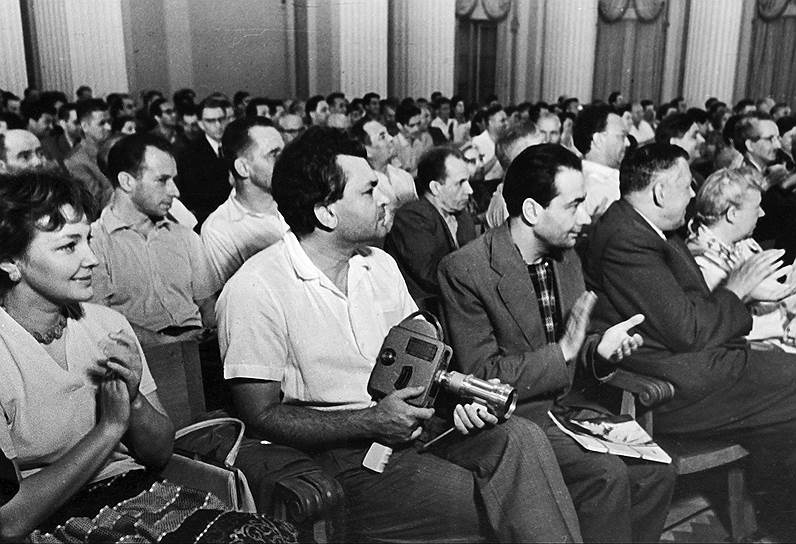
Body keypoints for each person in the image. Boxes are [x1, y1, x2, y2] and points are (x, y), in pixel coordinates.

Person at [218, 126, 583, 543]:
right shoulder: (257, 287)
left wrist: (459, 403)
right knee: (493, 500)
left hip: (411, 428)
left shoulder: (378, 265)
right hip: (340, 457)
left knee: (521, 436)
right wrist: (371, 421)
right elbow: (261, 415)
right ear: (326, 213)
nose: (386, 199)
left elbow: (425, 364)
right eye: (368, 191)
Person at [0, 170, 294, 543]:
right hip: (52, 520)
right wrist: (110, 427)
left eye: (88, 240)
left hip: (140, 495)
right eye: (68, 246)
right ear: (11, 262)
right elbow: (9, 521)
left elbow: (159, 453)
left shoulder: (108, 325)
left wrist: (135, 400)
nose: (92, 259)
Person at [438, 144, 675, 542]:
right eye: (573, 205)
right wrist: (564, 350)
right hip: (516, 421)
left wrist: (599, 352)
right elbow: (481, 375)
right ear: (533, 211)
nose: (585, 218)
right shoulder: (466, 270)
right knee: (606, 475)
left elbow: (573, 346)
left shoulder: (566, 257)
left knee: (658, 472)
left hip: (568, 412)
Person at [584, 143, 796, 486]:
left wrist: (747, 293)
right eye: (686, 186)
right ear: (660, 192)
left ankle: (773, 501)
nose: (694, 194)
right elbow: (687, 330)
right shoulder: (628, 240)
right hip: (676, 389)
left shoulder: (648, 228)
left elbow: (690, 310)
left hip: (700, 367)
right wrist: (736, 289)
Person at [89, 134, 219, 337]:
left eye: (173, 180)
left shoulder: (186, 237)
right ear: (127, 181)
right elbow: (102, 323)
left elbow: (208, 307)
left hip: (197, 343)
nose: (175, 191)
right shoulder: (94, 243)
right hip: (141, 351)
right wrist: (168, 343)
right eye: (162, 180)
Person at [686, 167, 796, 351]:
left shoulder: (743, 244)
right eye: (756, 208)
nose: (762, 213)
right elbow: (726, 329)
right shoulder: (702, 263)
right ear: (732, 214)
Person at [384, 146, 475, 313]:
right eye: (460, 183)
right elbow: (431, 276)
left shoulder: (462, 216)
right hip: (428, 312)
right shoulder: (411, 218)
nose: (470, 190)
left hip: (458, 305)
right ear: (435, 188)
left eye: (468, 181)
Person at [201, 117, 287, 285]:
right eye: (273, 154)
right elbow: (233, 295)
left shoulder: (301, 200)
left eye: (284, 152)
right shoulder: (219, 231)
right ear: (243, 168)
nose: (285, 161)